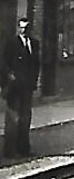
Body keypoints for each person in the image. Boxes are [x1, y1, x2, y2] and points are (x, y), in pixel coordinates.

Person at [1, 17, 40, 158]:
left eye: (26, 28)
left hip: (27, 87)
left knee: (25, 118)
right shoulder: (12, 43)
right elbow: (4, 63)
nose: (24, 31)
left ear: (30, 29)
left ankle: (24, 149)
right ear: (18, 29)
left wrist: (34, 81)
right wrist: (9, 76)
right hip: (15, 87)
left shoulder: (34, 44)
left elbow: (36, 64)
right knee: (13, 118)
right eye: (21, 28)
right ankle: (10, 151)